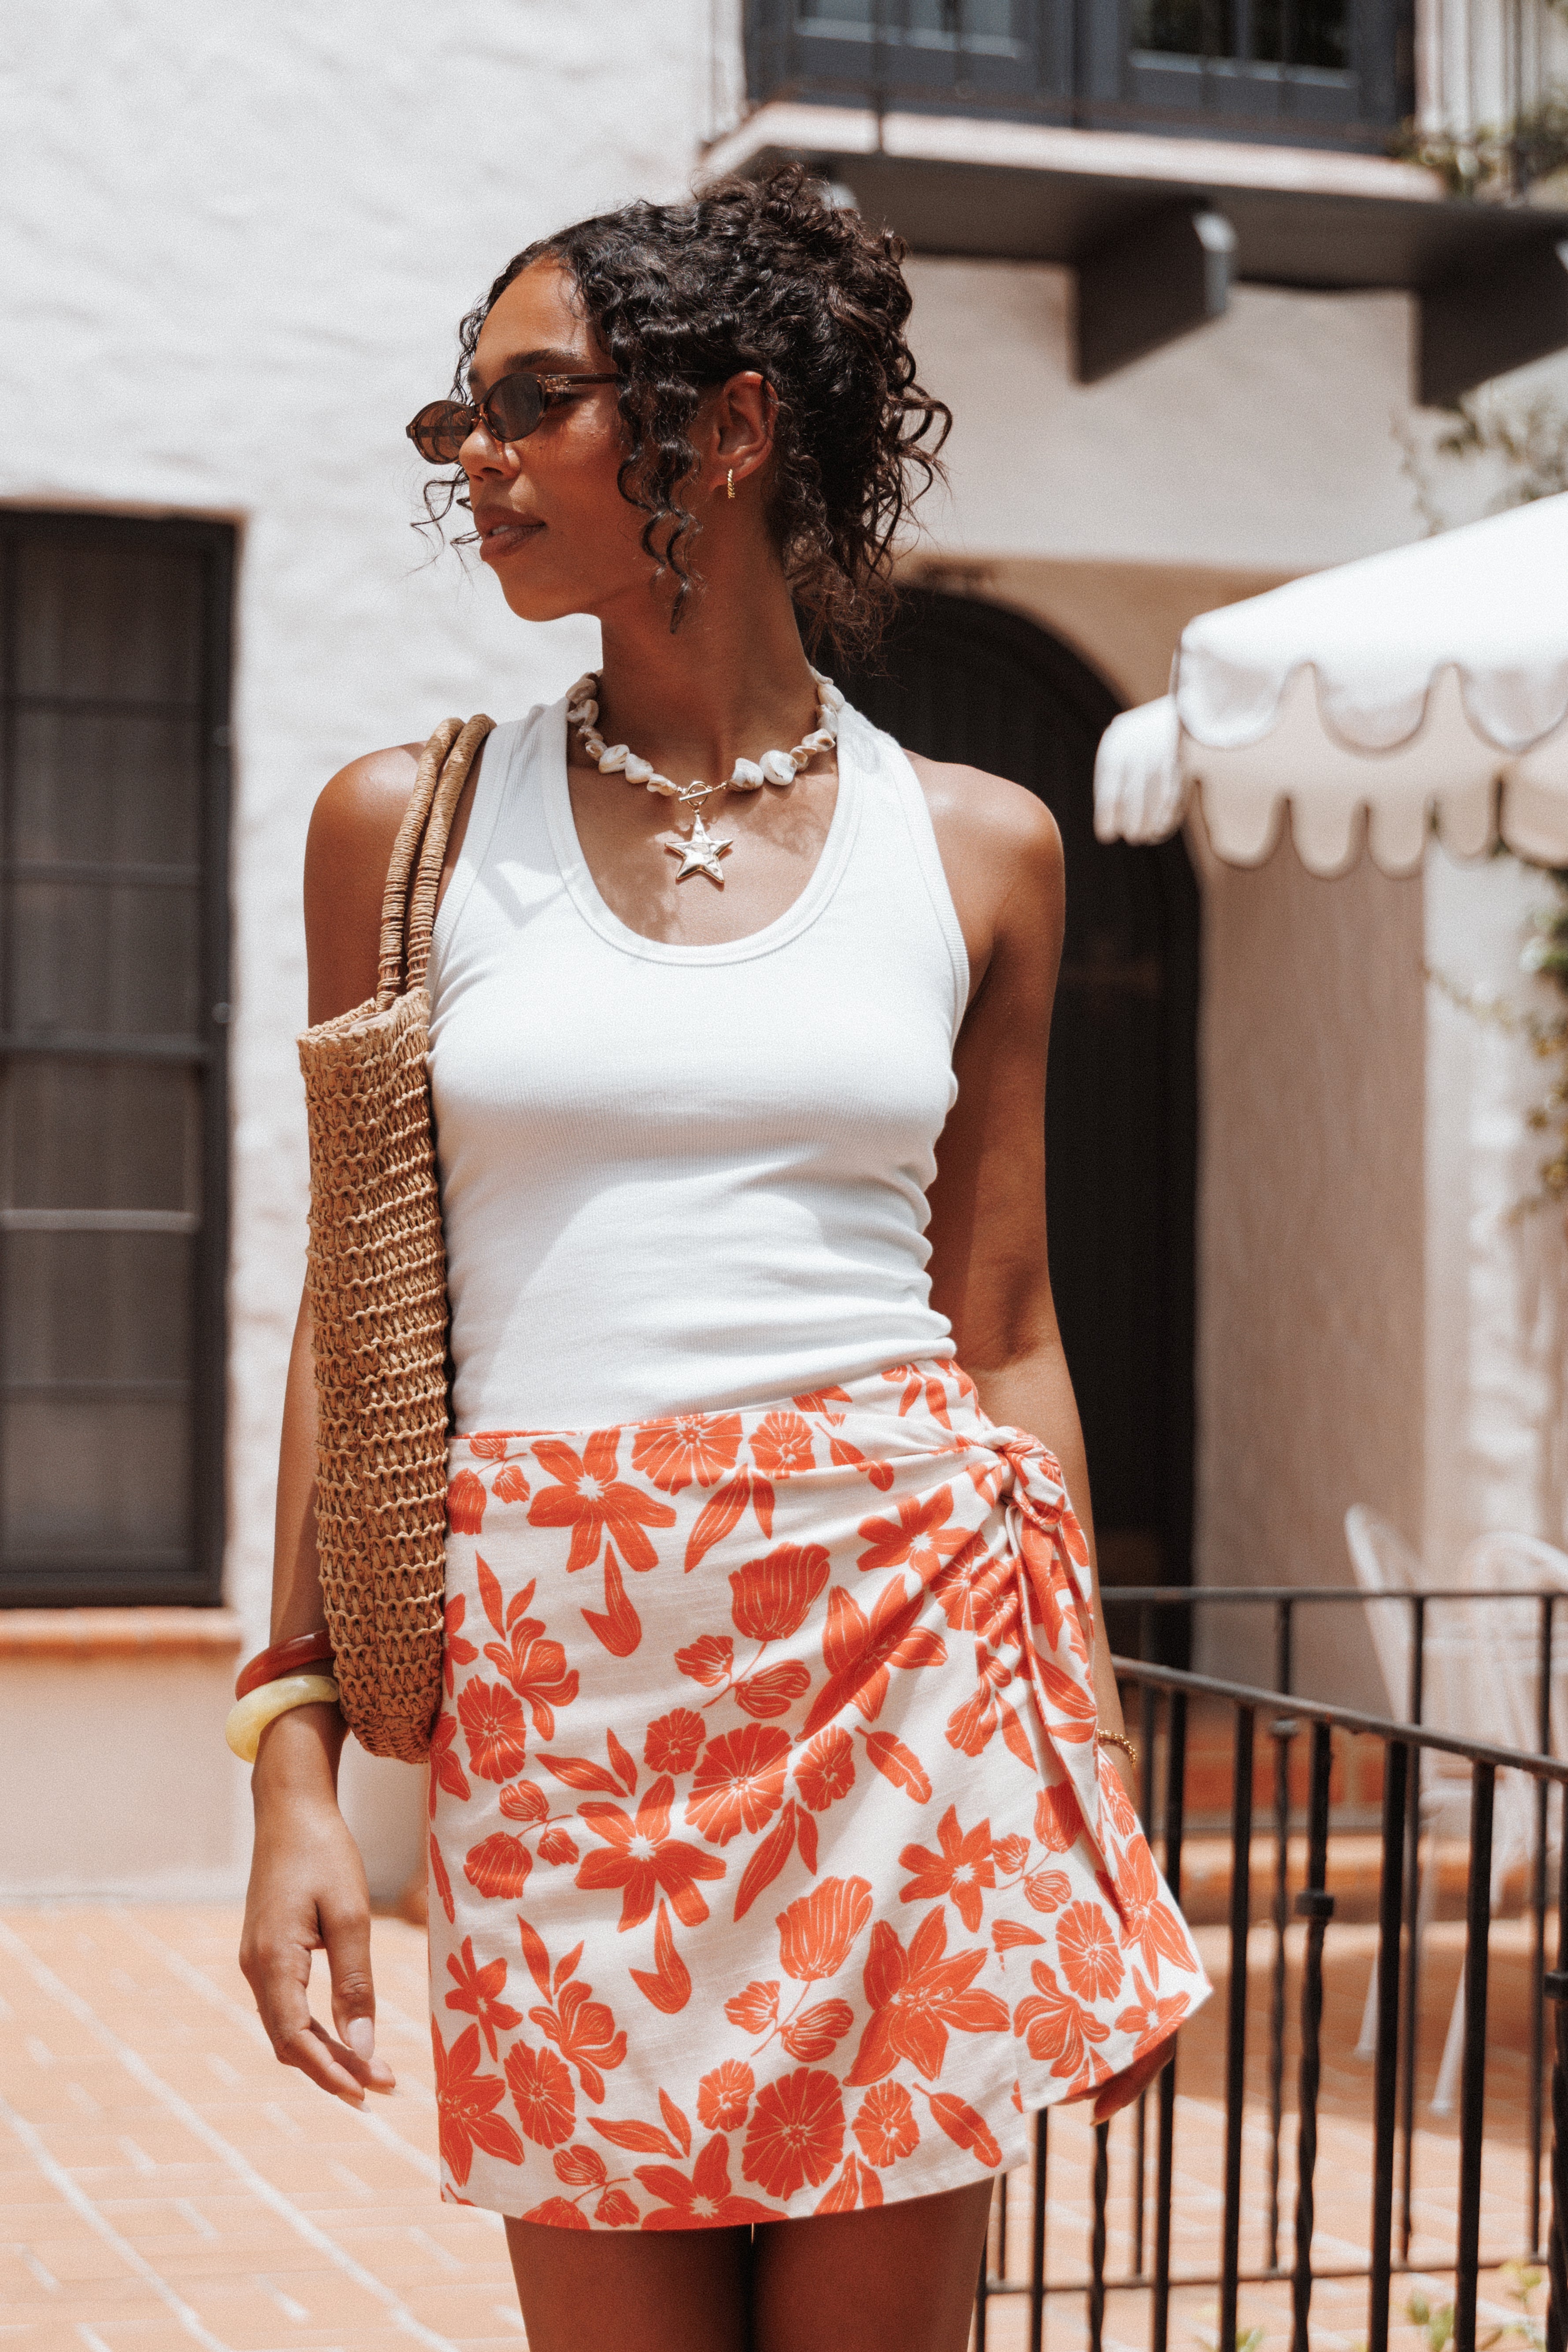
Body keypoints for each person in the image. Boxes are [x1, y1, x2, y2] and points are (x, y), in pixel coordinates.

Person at [238, 166, 1207, 2352]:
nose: (475, 460)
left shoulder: (980, 846)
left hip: (901, 1679)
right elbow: (354, 1322)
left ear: (733, 425)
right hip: (557, 1706)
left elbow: (1006, 1336)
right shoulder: (400, 832)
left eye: (535, 403)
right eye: (461, 417)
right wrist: (294, 1771)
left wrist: (1091, 1784)